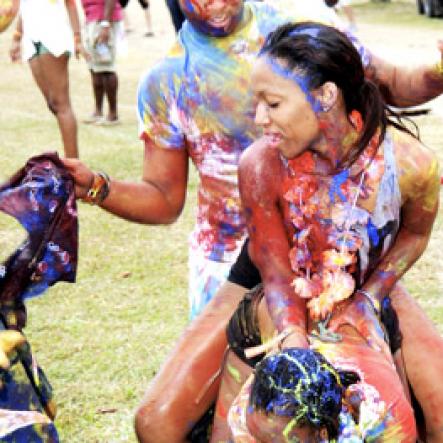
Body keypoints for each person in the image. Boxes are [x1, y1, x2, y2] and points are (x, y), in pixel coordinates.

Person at [133, 21, 443, 443]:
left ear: (326, 97)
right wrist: (293, 338)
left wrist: (372, 296)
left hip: (363, 277)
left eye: (272, 103)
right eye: (257, 102)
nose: (258, 118)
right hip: (265, 278)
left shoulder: (411, 165)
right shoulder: (259, 165)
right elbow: (275, 272)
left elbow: (413, 237)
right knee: (156, 422)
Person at [63, 0, 443, 322]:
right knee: (195, 405)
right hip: (230, 262)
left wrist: (437, 71)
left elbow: (393, 84)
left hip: (338, 254)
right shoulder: (167, 82)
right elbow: (163, 199)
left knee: (416, 391)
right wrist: (97, 187)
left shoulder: (300, 37)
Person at [9, 0, 84, 158]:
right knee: (53, 104)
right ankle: (70, 162)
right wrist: (17, 36)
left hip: (54, 37)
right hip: (31, 39)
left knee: (61, 104)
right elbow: (25, 6)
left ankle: (74, 167)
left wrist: (77, 37)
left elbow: (70, 3)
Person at [81, 0, 123, 125]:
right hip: (92, 17)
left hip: (103, 18)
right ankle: (98, 111)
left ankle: (112, 114)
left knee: (106, 67)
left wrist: (105, 23)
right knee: (94, 67)